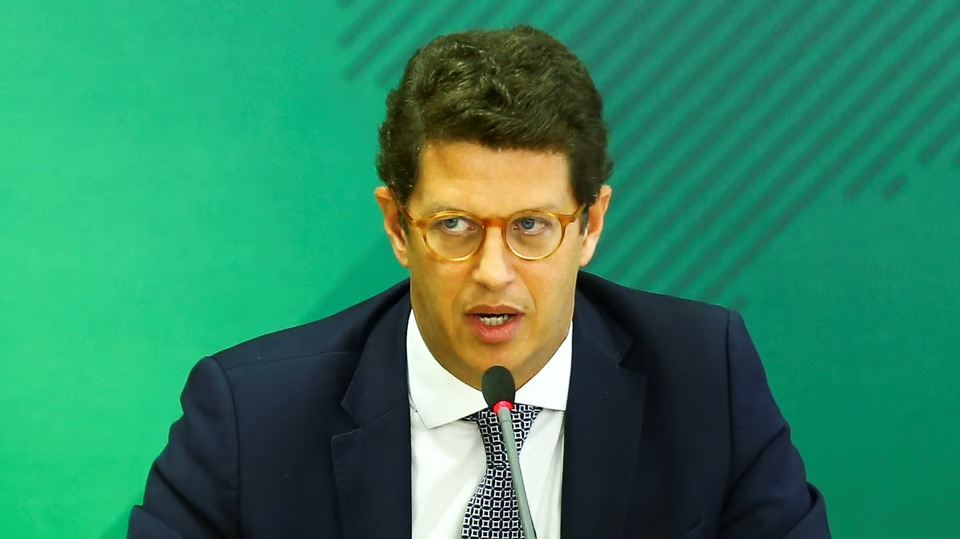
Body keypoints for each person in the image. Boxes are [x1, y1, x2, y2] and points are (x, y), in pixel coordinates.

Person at [129, 25, 829, 539]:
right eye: (457, 226)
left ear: (590, 225)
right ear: (398, 226)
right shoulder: (251, 419)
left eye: (532, 226)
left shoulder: (705, 380)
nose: (494, 272)